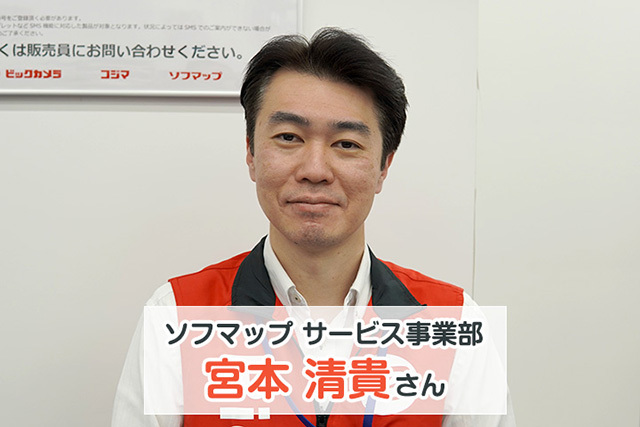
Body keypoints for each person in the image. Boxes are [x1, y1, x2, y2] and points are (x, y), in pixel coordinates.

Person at [112, 27, 515, 427]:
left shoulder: (453, 322)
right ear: (251, 154)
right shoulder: (177, 315)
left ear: (383, 167)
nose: (315, 170)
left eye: (347, 144)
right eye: (289, 137)